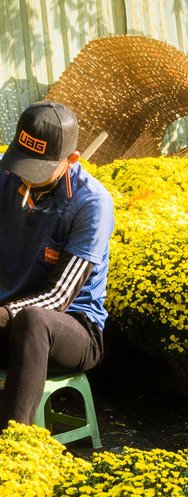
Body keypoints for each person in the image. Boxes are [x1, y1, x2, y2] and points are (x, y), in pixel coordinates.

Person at [0, 100, 114, 430]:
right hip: (7, 318)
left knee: (34, 320)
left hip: (71, 328)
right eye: (22, 162)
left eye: (37, 168)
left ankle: (15, 444)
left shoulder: (91, 203)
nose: (25, 176)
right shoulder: (6, 177)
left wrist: (5, 315)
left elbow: (59, 297)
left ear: (71, 160)